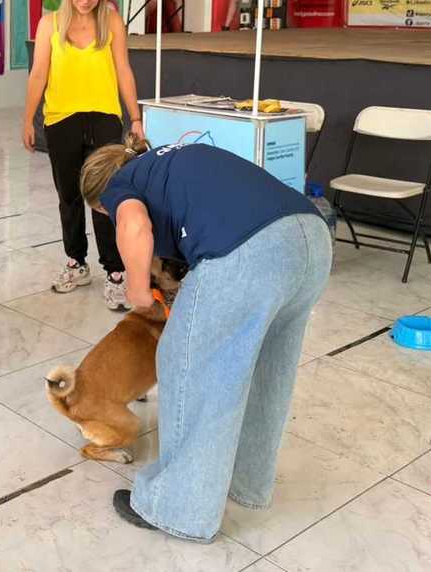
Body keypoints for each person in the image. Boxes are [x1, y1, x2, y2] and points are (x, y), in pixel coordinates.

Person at [78, 135, 331, 543]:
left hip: (249, 254)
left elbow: (135, 224)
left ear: (102, 198)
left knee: (185, 369)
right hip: (312, 241)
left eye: (103, 214)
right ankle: (246, 482)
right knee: (269, 371)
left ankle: (179, 508)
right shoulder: (166, 161)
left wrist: (138, 288)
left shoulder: (121, 183)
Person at [21, 0, 143, 311]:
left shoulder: (112, 22)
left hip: (104, 117)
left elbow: (124, 70)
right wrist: (28, 119)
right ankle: (76, 261)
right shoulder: (50, 24)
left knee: (105, 197)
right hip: (61, 119)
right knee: (69, 195)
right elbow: (38, 74)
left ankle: (115, 272)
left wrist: (134, 118)